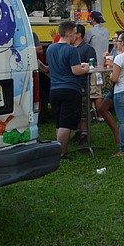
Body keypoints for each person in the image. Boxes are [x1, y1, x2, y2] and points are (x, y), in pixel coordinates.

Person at [46, 21, 90, 158]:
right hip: (70, 89)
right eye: (75, 33)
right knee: (66, 124)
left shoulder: (50, 48)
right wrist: (86, 68)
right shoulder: (72, 50)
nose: (76, 36)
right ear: (69, 32)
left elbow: (49, 68)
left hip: (54, 89)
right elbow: (76, 70)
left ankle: (58, 149)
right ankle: (61, 153)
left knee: (59, 122)